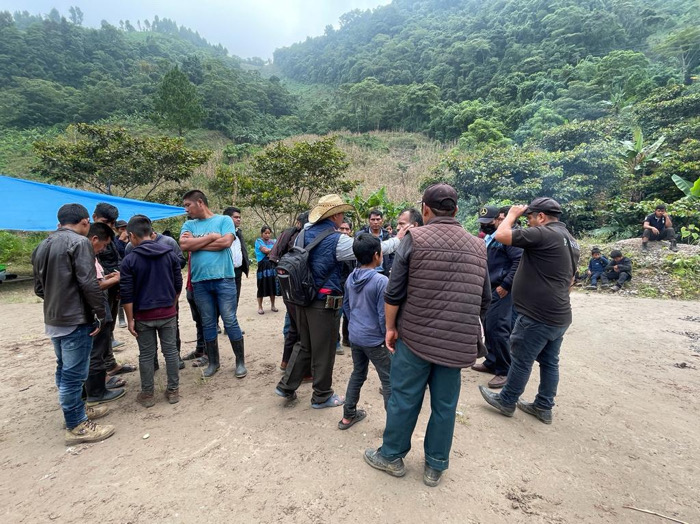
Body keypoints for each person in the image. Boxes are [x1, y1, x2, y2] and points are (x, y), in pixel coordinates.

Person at [363, 184, 490, 488]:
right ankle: (435, 465)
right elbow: (484, 300)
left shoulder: (413, 238)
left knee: (405, 398)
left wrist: (391, 328)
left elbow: (394, 292)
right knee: (445, 405)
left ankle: (391, 456)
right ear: (456, 210)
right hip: (456, 344)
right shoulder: (479, 246)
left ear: (426, 210)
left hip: (416, 338)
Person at [275, 194, 402, 408]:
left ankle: (286, 386)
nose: (342, 217)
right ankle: (322, 395)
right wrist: (400, 239)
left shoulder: (303, 232)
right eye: (341, 213)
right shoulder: (336, 240)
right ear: (334, 215)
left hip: (301, 297)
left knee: (304, 344)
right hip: (323, 302)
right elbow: (370, 249)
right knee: (324, 349)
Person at [479, 197, 580, 426]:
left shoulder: (544, 233)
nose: (530, 223)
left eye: (531, 218)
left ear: (541, 217)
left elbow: (502, 236)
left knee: (521, 358)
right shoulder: (571, 240)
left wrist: (512, 215)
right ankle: (543, 406)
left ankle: (506, 400)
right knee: (549, 361)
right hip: (559, 313)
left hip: (538, 315)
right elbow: (571, 279)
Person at [32, 203, 114, 445]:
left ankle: (75, 412)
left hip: (54, 317)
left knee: (63, 368)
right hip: (76, 319)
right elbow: (89, 283)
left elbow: (39, 288)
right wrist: (99, 312)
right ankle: (77, 425)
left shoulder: (42, 245)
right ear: (85, 222)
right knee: (73, 375)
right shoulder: (80, 243)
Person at [179, 190, 246, 379]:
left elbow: (225, 242)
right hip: (200, 282)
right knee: (207, 322)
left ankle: (240, 362)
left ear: (200, 202)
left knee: (230, 319)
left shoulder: (224, 220)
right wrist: (210, 237)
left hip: (224, 279)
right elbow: (184, 245)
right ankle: (214, 363)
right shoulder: (188, 224)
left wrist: (196, 243)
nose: (186, 209)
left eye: (187, 205)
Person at [121, 216, 183, 407]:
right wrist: (171, 305)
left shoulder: (129, 260)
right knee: (171, 352)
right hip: (167, 313)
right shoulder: (170, 254)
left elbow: (127, 294)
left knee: (146, 355)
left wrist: (130, 320)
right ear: (151, 232)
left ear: (132, 235)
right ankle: (173, 391)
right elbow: (178, 284)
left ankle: (147, 395)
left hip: (143, 316)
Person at [338, 233, 392, 431]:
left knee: (358, 373)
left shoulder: (351, 278)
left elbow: (347, 306)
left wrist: (356, 325)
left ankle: (347, 415)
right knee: (389, 380)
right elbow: (382, 315)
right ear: (377, 255)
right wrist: (385, 337)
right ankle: (394, 426)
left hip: (355, 336)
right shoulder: (381, 281)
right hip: (374, 340)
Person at [472, 205, 522, 389]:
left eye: (489, 222)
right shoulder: (491, 238)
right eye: (483, 222)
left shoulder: (508, 237)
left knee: (499, 329)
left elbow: (518, 261)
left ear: (499, 219)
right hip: (489, 288)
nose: (485, 225)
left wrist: (506, 285)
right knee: (488, 326)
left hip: (501, 289)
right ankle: (491, 361)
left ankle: (504, 370)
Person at [85, 222, 126, 406]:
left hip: (95, 309)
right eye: (103, 245)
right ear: (94, 239)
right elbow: (95, 285)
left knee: (97, 349)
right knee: (96, 351)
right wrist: (116, 279)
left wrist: (107, 278)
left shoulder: (88, 255)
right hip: (95, 310)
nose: (103, 250)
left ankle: (94, 389)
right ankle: (96, 392)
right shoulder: (84, 255)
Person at [270, 211, 309, 371]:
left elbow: (274, 257)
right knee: (301, 328)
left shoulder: (290, 235)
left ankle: (285, 362)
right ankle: (300, 370)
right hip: (296, 285)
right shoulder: (298, 237)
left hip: (288, 283)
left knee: (294, 327)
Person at [224, 207, 250, 309]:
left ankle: (232, 323)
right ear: (227, 218)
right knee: (223, 301)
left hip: (237, 271)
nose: (239, 219)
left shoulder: (239, 233)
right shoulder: (220, 234)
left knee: (235, 300)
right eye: (236, 217)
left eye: (239, 217)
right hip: (224, 272)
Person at [359, 209, 394, 275]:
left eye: (378, 219)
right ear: (369, 220)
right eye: (373, 219)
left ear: (382, 220)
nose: (375, 222)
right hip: (366, 272)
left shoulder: (387, 236)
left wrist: (389, 267)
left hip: (384, 272)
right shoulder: (361, 236)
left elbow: (392, 255)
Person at [254, 226, 279, 314]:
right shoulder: (258, 241)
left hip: (272, 266)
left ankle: (273, 305)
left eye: (269, 233)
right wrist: (272, 251)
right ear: (262, 234)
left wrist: (271, 252)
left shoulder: (274, 241)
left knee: (272, 285)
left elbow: (278, 250)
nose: (267, 235)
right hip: (262, 266)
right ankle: (260, 307)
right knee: (261, 285)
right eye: (265, 233)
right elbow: (265, 250)